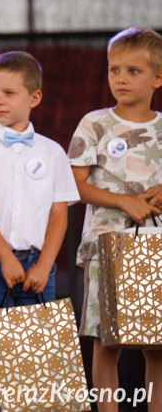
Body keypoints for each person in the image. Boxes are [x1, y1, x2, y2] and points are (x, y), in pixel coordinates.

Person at [68, 26, 162, 412]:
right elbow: (75, 186)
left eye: (133, 71)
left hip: (154, 250)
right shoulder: (95, 124)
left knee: (156, 347)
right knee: (107, 342)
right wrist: (126, 203)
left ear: (158, 77)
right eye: (114, 69)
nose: (120, 78)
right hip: (105, 246)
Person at [0, 51, 79, 311]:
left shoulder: (53, 152)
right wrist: (5, 257)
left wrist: (45, 265)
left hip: (39, 263)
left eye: (9, 93)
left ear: (34, 98)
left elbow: (59, 214)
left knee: (38, 346)